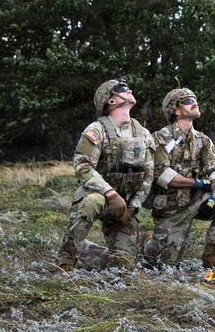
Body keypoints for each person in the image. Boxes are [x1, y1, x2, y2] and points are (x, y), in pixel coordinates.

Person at [55, 78, 154, 272]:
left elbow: (148, 174)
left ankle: (84, 250)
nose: (129, 90)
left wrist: (132, 208)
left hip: (123, 206)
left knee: (123, 267)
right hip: (98, 197)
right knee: (92, 201)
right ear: (111, 101)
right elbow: (82, 167)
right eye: (123, 89)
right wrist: (110, 194)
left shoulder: (143, 134)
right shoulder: (96, 130)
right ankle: (65, 260)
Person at [142, 88, 215, 269]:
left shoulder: (202, 140)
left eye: (195, 99)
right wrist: (198, 183)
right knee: (161, 265)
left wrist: (214, 195)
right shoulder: (159, 138)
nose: (195, 103)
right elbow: (163, 175)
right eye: (188, 101)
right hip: (170, 208)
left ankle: (210, 255)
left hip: (195, 199)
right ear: (177, 110)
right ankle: (147, 243)